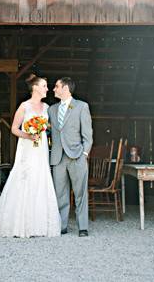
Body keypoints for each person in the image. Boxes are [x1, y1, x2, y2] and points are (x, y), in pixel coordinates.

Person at [0, 74, 60, 237]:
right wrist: (28, 135)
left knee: (41, 177)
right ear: (36, 87)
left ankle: (39, 225)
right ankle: (20, 224)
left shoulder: (46, 107)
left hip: (41, 148)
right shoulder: (24, 106)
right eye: (44, 85)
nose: (47, 88)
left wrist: (43, 129)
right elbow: (14, 129)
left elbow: (49, 126)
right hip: (28, 147)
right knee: (25, 178)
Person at [49, 77, 93, 237]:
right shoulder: (51, 109)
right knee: (60, 193)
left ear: (65, 88)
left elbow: (88, 134)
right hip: (57, 157)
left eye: (56, 86)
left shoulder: (82, 106)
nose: (54, 89)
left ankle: (83, 227)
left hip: (77, 156)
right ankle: (62, 225)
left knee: (80, 193)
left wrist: (85, 154)